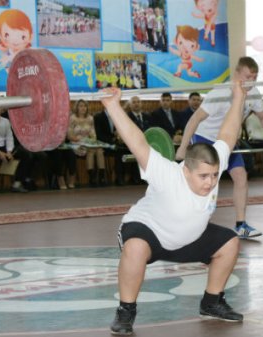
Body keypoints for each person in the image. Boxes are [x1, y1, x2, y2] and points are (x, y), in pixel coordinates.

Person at [101, 80, 246, 335]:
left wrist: (239, 97)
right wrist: (113, 107)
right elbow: (138, 144)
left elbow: (228, 135)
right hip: (150, 231)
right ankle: (126, 311)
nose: (211, 182)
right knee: (135, 248)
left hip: (187, 236)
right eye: (204, 177)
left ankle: (211, 302)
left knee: (230, 242)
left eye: (214, 175)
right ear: (186, 170)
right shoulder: (167, 174)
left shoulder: (213, 164)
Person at [176, 57, 263, 239]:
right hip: (205, 138)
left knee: (241, 176)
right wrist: (183, 147)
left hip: (228, 142)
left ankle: (241, 225)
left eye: (255, 77)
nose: (252, 81)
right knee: (204, 183)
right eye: (248, 76)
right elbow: (195, 119)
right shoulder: (221, 93)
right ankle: (189, 223)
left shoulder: (254, 93)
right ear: (237, 73)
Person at [67, 99, 106, 187]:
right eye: (81, 106)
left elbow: (93, 134)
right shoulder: (72, 118)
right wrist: (80, 140)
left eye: (85, 106)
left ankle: (101, 176)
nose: (83, 108)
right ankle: (91, 177)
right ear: (76, 107)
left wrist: (91, 140)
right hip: (76, 143)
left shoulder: (90, 118)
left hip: (88, 143)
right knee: (91, 150)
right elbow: (69, 135)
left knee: (99, 150)